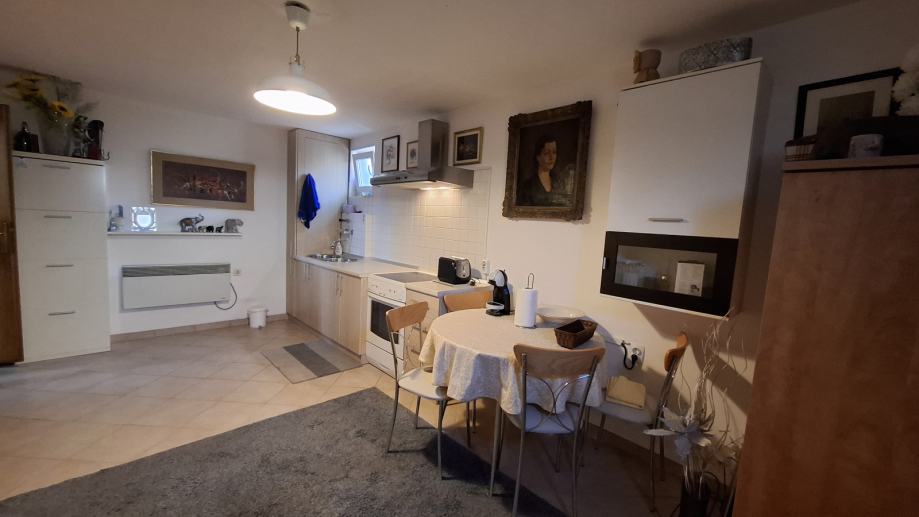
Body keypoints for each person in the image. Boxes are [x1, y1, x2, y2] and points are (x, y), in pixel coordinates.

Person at [518, 135, 573, 206]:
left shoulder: (559, 181)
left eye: (554, 152)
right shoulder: (528, 186)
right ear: (538, 157)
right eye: (546, 153)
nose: (551, 157)